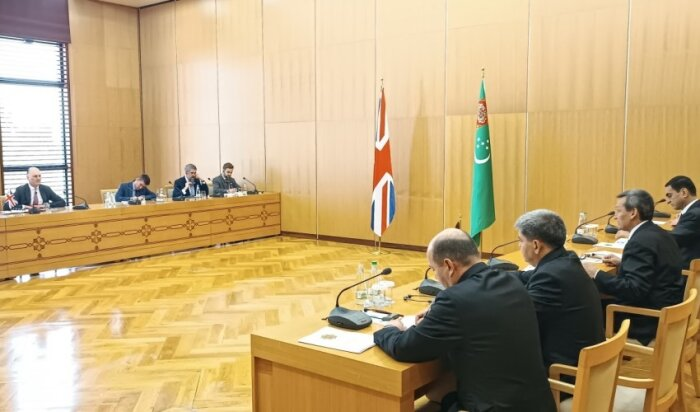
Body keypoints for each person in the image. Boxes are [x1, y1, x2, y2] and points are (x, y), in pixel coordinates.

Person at [374, 228, 556, 412]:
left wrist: (390, 328)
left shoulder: (454, 301)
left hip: (495, 407)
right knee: (439, 393)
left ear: (449, 266)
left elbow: (405, 348)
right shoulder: (510, 280)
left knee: (435, 397)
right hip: (538, 404)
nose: (436, 277)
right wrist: (437, 312)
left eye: (434, 270)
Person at [584, 189, 684, 345]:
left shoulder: (639, 241)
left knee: (586, 308)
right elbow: (655, 267)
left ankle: (598, 357)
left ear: (633, 213)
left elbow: (633, 290)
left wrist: (595, 273)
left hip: (648, 319)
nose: (615, 216)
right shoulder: (659, 233)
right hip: (667, 308)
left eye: (618, 211)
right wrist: (624, 263)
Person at [512, 209, 604, 369]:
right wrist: (490, 274)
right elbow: (525, 276)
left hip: (566, 370)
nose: (519, 245)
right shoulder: (567, 260)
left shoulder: (550, 277)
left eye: (520, 240)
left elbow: (520, 320)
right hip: (587, 360)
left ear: (536, 245)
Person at [615, 176, 700, 269]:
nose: (667, 201)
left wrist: (632, 234)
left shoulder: (694, 214)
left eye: (669, 195)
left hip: (684, 271)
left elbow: (670, 240)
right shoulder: (694, 210)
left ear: (684, 192)